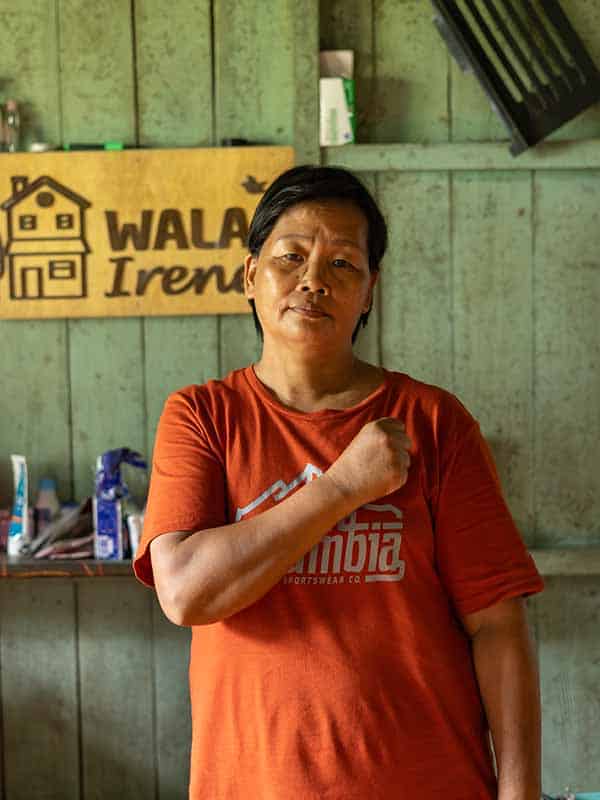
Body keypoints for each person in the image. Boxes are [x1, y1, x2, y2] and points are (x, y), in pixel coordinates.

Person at [133, 165, 544, 800]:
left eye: (343, 264)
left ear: (370, 291)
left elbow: (498, 627)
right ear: (250, 275)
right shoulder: (203, 416)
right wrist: (343, 487)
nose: (313, 281)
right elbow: (186, 592)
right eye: (289, 257)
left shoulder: (434, 423)